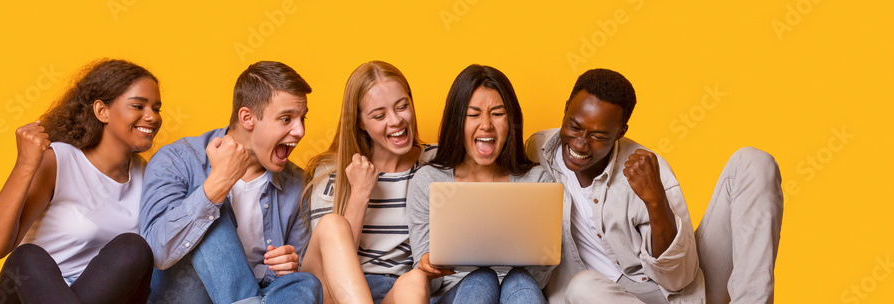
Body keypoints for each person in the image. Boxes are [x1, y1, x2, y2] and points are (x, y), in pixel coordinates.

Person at [526, 68, 784, 303]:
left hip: (684, 293)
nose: (580, 144)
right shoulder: (538, 150)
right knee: (582, 287)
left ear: (620, 132)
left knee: (754, 162)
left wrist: (655, 201)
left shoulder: (646, 169)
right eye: (575, 127)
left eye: (598, 136)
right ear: (566, 109)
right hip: (604, 297)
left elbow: (679, 279)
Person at [0, 59, 160, 303]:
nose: (151, 117)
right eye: (138, 106)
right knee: (28, 257)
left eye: (156, 109)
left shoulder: (146, 174)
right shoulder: (58, 161)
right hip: (27, 295)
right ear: (101, 111)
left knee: (134, 249)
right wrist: (25, 164)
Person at [140, 61, 322, 304]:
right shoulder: (178, 159)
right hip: (187, 297)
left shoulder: (298, 183)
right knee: (212, 207)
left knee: (306, 283)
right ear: (247, 117)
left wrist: (289, 264)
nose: (300, 131)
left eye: (302, 119)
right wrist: (216, 186)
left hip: (260, 295)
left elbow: (283, 281)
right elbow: (157, 253)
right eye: (286, 119)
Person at [406, 64, 556, 304]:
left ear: (511, 122)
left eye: (497, 114)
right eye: (473, 114)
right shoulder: (429, 181)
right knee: (482, 279)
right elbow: (430, 284)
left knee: (521, 281)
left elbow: (540, 278)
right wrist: (428, 267)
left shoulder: (538, 182)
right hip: (456, 295)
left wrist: (543, 255)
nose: (486, 125)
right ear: (456, 122)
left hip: (519, 292)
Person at [299, 61, 434, 304]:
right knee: (331, 225)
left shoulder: (436, 164)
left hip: (398, 291)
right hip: (334, 291)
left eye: (402, 107)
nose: (395, 121)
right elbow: (332, 260)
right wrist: (360, 193)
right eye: (379, 115)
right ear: (360, 122)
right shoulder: (329, 171)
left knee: (414, 280)